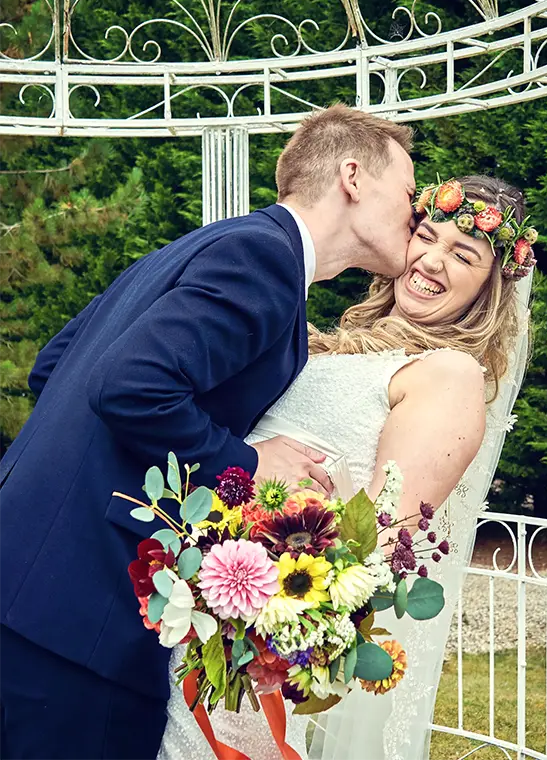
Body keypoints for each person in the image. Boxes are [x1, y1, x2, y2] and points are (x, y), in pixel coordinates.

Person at [0, 104, 417, 760]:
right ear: (354, 176)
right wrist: (247, 460)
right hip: (79, 622)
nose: (416, 210)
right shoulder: (264, 260)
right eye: (409, 189)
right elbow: (129, 385)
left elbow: (56, 365)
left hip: (27, 586)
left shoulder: (212, 243)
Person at [157, 175, 534, 759]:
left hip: (248, 637)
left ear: (490, 286)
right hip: (192, 595)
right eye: (425, 236)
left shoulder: (449, 374)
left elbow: (383, 546)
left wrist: (268, 635)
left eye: (463, 255)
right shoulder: (341, 343)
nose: (431, 261)